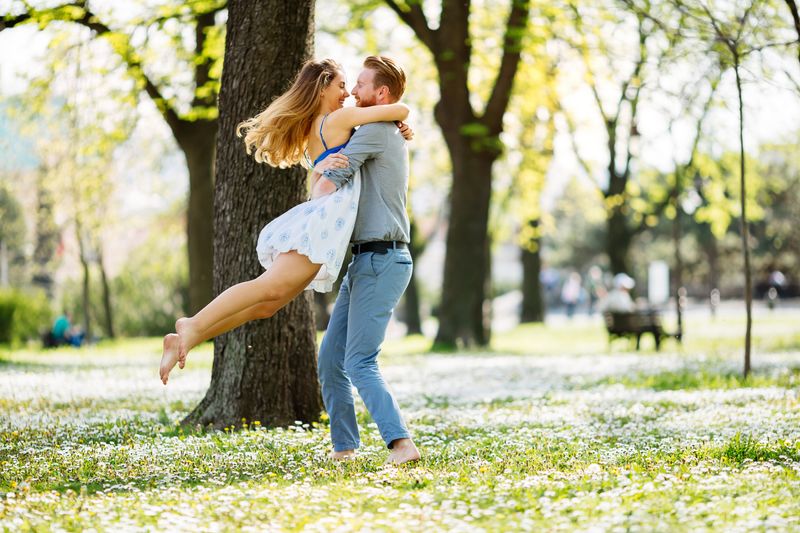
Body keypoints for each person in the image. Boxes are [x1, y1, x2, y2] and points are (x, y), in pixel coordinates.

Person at [158, 58, 413, 387]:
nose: (348, 93)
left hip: (321, 218)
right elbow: (401, 110)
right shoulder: (342, 118)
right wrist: (402, 122)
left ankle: (189, 338)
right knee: (269, 288)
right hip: (324, 223)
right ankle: (191, 325)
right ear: (322, 87)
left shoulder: (318, 124)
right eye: (340, 86)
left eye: (352, 86)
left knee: (267, 305)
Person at [313, 56, 420, 465]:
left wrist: (318, 171)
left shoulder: (375, 129)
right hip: (365, 261)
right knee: (330, 359)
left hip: (382, 259)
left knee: (359, 361)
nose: (354, 92)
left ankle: (401, 444)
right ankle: (344, 449)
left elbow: (332, 179)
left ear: (382, 94)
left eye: (360, 85)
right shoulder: (380, 127)